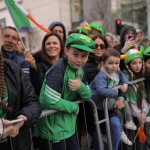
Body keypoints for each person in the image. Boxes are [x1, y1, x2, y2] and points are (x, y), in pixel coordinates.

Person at [36, 33, 95, 150]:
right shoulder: (58, 69)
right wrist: (73, 107)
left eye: (84, 56)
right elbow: (50, 101)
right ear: (66, 51)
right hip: (52, 129)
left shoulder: (80, 69)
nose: (79, 60)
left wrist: (80, 87)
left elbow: (88, 94)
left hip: (69, 125)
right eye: (76, 54)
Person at [0, 25, 42, 149]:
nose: (10, 40)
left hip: (17, 143)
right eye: (7, 36)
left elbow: (32, 101)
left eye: (14, 38)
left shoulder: (14, 69)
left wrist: (22, 119)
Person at [90, 48, 137, 146]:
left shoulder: (117, 71)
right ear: (103, 63)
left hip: (110, 98)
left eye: (116, 63)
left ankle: (125, 124)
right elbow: (101, 91)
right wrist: (117, 93)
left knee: (122, 103)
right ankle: (127, 122)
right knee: (122, 103)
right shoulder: (101, 76)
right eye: (111, 63)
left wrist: (125, 84)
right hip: (100, 102)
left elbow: (125, 79)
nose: (114, 66)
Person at [24, 32, 64, 96]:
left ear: (61, 46)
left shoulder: (68, 64)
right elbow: (39, 90)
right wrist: (33, 67)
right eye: (48, 44)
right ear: (44, 47)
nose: (51, 46)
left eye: (55, 43)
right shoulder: (40, 66)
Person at [124, 49, 149, 127]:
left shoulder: (142, 76)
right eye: (134, 63)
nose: (138, 66)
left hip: (142, 114)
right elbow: (131, 101)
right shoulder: (126, 78)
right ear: (128, 65)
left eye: (140, 62)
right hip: (133, 116)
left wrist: (143, 113)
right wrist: (140, 116)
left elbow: (144, 97)